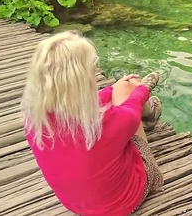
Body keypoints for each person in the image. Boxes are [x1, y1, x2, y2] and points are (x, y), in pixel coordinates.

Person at [21, 31, 163, 215]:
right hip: (124, 202)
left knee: (119, 91)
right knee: (127, 92)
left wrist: (112, 88)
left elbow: (80, 106)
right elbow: (131, 110)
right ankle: (150, 115)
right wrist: (143, 87)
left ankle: (148, 111)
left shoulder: (33, 120)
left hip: (76, 206)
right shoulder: (106, 122)